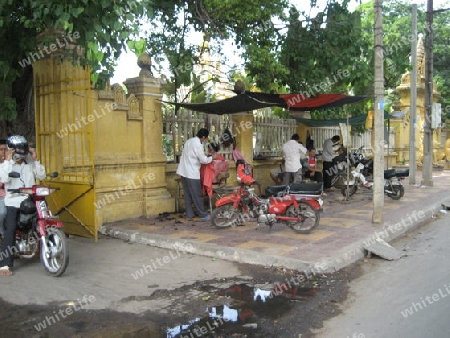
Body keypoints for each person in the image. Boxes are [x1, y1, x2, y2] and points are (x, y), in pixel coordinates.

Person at [0, 135, 46, 276]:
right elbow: (4, 178)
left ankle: (44, 248)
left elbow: (42, 175)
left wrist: (35, 158)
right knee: (11, 229)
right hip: (13, 201)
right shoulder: (5, 165)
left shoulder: (29, 163)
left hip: (30, 199)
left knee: (44, 219)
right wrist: (8, 160)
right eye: (18, 148)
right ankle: (5, 264)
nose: (21, 151)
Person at [176, 128, 217, 221]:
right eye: (205, 139)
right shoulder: (197, 144)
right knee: (197, 195)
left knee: (187, 194)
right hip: (192, 173)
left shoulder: (189, 141)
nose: (204, 140)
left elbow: (193, 155)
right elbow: (203, 160)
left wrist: (205, 155)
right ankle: (203, 215)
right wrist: (212, 157)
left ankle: (189, 214)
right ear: (203, 137)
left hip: (183, 172)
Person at [0, 139, 7, 238]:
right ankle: (2, 233)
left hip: (13, 195)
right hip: (1, 196)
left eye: (5, 149)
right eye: (1, 149)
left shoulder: (13, 164)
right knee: (2, 212)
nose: (3, 152)